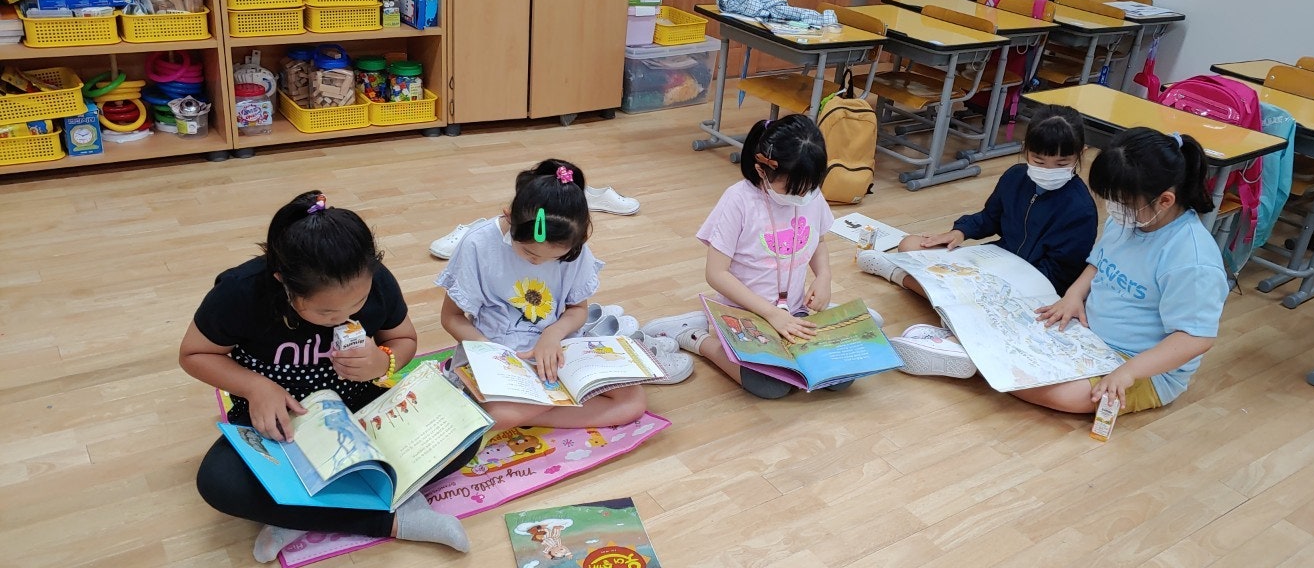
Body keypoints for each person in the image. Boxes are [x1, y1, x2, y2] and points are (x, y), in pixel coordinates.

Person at [180, 191, 480, 563]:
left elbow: (403, 338)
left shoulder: (376, 279)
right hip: (281, 421)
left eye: (358, 303)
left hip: (362, 409)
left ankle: (296, 515)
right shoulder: (242, 291)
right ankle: (396, 518)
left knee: (465, 434)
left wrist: (382, 362)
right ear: (284, 283)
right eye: (325, 312)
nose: (344, 316)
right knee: (219, 482)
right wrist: (256, 386)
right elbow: (194, 354)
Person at [437, 159, 690, 431]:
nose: (538, 262)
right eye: (529, 253)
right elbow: (451, 317)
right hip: (496, 354)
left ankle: (522, 411)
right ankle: (533, 406)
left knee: (634, 400)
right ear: (509, 215)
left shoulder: (574, 249)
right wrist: (491, 351)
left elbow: (577, 309)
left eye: (554, 258)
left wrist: (552, 334)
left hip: (557, 350)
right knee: (501, 412)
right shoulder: (478, 244)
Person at [857, 105, 1097, 377]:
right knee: (911, 245)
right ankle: (902, 276)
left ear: (1080, 154)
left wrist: (999, 282)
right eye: (1039, 161)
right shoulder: (1016, 176)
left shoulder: (1080, 209)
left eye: (1062, 164)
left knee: (987, 301)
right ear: (1026, 149)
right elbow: (989, 218)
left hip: (1035, 286)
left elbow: (1059, 272)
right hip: (997, 261)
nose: (1048, 170)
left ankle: (950, 333)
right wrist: (960, 232)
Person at [643, 115, 865, 399]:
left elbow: (818, 240)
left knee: (841, 377)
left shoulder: (810, 194)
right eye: (793, 189)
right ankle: (695, 337)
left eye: (810, 188)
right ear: (762, 170)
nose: (803, 196)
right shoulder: (738, 200)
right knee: (770, 387)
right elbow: (716, 273)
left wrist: (824, 276)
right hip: (744, 317)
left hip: (792, 313)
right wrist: (771, 314)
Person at [1027, 127, 1227, 415]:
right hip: (1089, 337)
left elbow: (1196, 337)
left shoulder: (1192, 260)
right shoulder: (1131, 219)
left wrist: (1129, 371)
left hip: (1142, 367)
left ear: (1165, 200)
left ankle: (992, 373)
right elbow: (1098, 262)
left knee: (1068, 395)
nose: (1113, 209)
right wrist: (1073, 295)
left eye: (1122, 202)